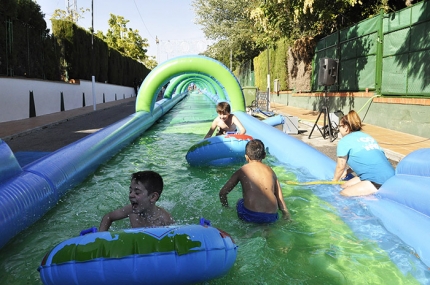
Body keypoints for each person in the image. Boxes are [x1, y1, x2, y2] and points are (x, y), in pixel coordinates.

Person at [219, 139, 290, 223]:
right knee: (265, 224)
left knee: (239, 201)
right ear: (264, 155)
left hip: (250, 215)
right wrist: (286, 214)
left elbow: (222, 193)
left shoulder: (242, 170)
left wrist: (226, 207)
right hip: (271, 216)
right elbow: (279, 198)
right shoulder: (271, 171)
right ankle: (266, 230)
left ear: (246, 157)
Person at [333, 110, 395, 196]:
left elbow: (340, 167)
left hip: (377, 181)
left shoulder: (344, 141)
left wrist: (334, 182)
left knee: (342, 194)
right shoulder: (367, 136)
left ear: (346, 128)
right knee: (344, 185)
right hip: (391, 177)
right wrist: (347, 172)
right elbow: (368, 161)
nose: (338, 128)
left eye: (339, 126)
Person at [99, 170, 174, 231]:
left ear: (153, 197)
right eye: (130, 191)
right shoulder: (131, 210)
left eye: (137, 193)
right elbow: (108, 217)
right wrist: (100, 236)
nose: (131, 195)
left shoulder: (164, 220)